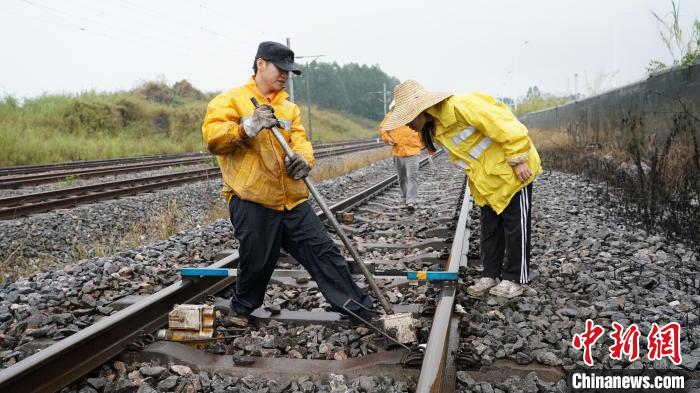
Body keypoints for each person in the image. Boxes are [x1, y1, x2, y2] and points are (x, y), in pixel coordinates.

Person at [201, 41, 374, 323]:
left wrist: (304, 161)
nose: (285, 75)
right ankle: (242, 309)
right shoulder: (229, 101)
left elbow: (301, 141)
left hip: (292, 199)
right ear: (260, 64)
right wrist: (247, 127)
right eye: (280, 68)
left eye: (288, 71)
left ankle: (360, 309)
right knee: (258, 260)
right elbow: (214, 139)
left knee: (324, 252)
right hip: (251, 197)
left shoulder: (288, 108)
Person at [382, 80, 542, 298]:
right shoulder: (437, 128)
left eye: (407, 119)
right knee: (490, 228)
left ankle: (515, 278)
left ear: (420, 110)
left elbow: (505, 124)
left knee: (515, 227)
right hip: (488, 181)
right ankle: (490, 274)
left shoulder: (461, 105)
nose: (407, 126)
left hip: (513, 172)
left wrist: (518, 158)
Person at [379, 102, 423, 211]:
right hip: (397, 151)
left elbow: (425, 128)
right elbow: (383, 129)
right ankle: (404, 200)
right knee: (402, 178)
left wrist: (425, 144)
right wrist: (387, 138)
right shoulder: (391, 116)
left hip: (413, 151)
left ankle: (411, 202)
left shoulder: (416, 115)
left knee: (412, 176)